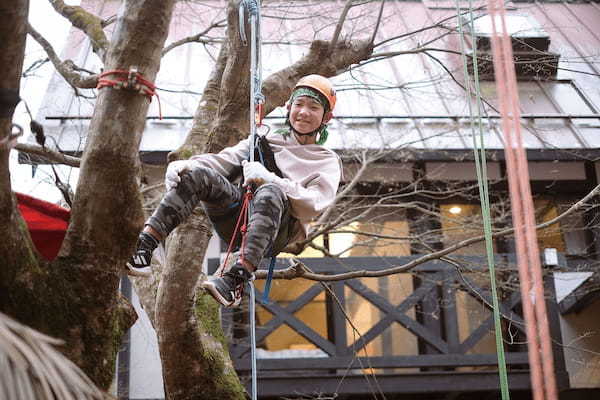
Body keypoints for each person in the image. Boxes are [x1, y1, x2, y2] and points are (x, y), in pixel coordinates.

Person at [127, 74, 342, 307]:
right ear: (289, 108)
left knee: (270, 191)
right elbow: (223, 161)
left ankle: (237, 279)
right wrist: (188, 165)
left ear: (326, 117)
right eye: (299, 105)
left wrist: (271, 180)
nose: (303, 112)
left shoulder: (326, 161)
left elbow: (313, 205)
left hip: (276, 230)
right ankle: (145, 246)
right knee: (199, 175)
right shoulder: (263, 141)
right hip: (238, 216)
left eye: (313, 107)